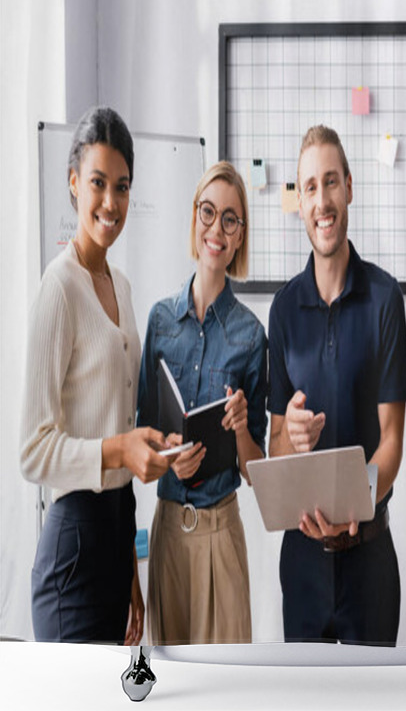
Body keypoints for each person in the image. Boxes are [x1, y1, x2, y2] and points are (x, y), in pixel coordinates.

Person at [20, 106, 173, 644]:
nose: (111, 203)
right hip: (73, 549)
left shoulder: (123, 288)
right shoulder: (57, 288)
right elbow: (32, 452)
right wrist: (118, 449)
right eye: (98, 183)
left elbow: (118, 431)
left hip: (115, 536)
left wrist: (131, 568)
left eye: (123, 187)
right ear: (72, 184)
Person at [268, 125, 406, 646]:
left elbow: (393, 436)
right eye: (310, 187)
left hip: (370, 564)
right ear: (300, 201)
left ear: (349, 187)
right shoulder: (283, 310)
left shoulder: (383, 299)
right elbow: (275, 444)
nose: (322, 201)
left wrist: (359, 503)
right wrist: (293, 439)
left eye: (331, 182)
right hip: (302, 567)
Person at [137, 161, 267, 645]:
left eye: (230, 219)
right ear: (195, 219)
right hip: (168, 531)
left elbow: (256, 471)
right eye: (208, 213)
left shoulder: (252, 336)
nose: (216, 228)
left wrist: (240, 428)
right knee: (171, 684)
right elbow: (141, 434)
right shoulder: (159, 322)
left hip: (222, 532)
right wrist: (168, 455)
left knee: (228, 688)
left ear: (239, 238)